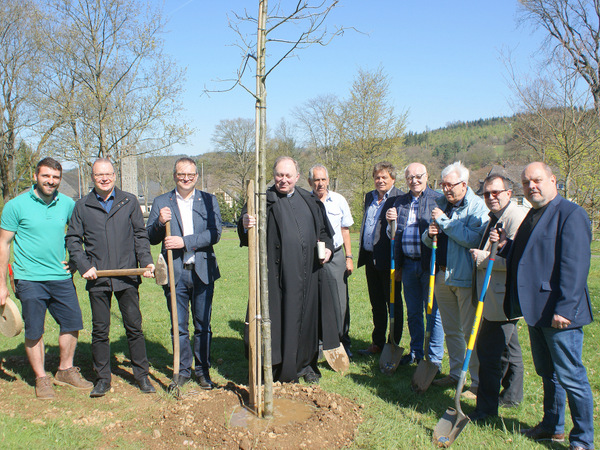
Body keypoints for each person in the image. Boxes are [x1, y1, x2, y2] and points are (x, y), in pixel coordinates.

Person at [491, 162, 594, 450]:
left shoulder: (571, 214)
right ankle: (553, 425)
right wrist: (505, 245)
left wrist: (565, 308)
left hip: (560, 313)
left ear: (553, 180)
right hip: (536, 310)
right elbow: (526, 256)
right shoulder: (534, 215)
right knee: (548, 373)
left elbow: (574, 266)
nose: (531, 186)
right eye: (526, 183)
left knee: (571, 377)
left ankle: (583, 439)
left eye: (537, 180)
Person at [0, 157, 93, 399]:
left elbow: (77, 236)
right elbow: (3, 244)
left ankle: (65, 370)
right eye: (46, 176)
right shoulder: (15, 206)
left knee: (73, 323)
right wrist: (1, 284)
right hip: (28, 278)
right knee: (34, 330)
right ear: (35, 176)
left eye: (55, 177)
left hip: (60, 277)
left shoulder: (67, 204)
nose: (51, 181)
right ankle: (41, 378)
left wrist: (74, 263)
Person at [66, 158, 156, 398]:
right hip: (99, 278)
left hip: (126, 276)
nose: (104, 179)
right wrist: (84, 265)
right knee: (100, 330)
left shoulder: (129, 201)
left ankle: (142, 376)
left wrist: (146, 261)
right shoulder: (82, 206)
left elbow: (140, 235)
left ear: (115, 175)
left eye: (108, 174)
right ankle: (103, 378)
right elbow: (73, 240)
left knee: (134, 328)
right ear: (93, 177)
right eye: (98, 175)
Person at [239, 156, 333, 383]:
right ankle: (273, 366)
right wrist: (245, 223)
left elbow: (324, 233)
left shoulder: (309, 201)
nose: (283, 180)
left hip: (307, 275)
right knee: (276, 320)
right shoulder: (262, 200)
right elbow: (245, 228)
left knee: (306, 320)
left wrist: (327, 249)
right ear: (274, 175)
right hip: (275, 276)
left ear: (297, 177)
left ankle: (305, 365)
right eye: (279, 175)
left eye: (288, 176)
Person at [147, 157, 222, 390]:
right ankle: (182, 370)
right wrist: (160, 222)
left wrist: (184, 242)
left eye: (190, 174)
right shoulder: (162, 201)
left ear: (196, 176)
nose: (186, 178)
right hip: (175, 273)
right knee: (179, 326)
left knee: (203, 325)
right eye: (181, 174)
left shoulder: (209, 201)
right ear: (174, 176)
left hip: (202, 272)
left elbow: (215, 233)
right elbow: (150, 236)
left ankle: (202, 370)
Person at [422, 161, 488, 396]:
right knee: (451, 330)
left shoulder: (477, 208)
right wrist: (429, 235)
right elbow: (429, 240)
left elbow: (473, 239)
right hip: (441, 273)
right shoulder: (441, 204)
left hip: (464, 277)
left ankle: (478, 383)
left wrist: (443, 222)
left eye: (450, 185)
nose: (446, 189)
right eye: (443, 185)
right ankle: (456, 374)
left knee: (471, 331)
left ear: (464, 184)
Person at [467, 174, 527, 422]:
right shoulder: (495, 217)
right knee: (510, 349)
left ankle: (485, 408)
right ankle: (512, 395)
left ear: (509, 193)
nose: (491, 197)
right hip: (496, 296)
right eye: (487, 193)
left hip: (501, 299)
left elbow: (519, 261)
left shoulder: (516, 218)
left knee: (489, 353)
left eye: (496, 192)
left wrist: (482, 258)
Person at [384, 163, 444, 367]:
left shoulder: (438, 200)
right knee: (414, 312)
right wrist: (389, 223)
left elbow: (445, 231)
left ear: (427, 176)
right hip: (408, 265)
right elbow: (393, 235)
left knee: (433, 312)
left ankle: (433, 359)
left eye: (418, 176)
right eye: (410, 177)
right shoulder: (399, 202)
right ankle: (417, 352)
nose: (414, 180)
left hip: (430, 265)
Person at [357, 162, 404, 356]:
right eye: (377, 177)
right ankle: (377, 343)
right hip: (370, 258)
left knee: (392, 303)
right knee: (376, 303)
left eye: (384, 177)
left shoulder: (400, 198)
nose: (380, 180)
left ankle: (392, 344)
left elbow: (402, 232)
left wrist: (400, 263)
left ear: (393, 178)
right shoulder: (370, 196)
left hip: (389, 259)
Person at [308, 164, 354, 357]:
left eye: (323, 179)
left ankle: (343, 341)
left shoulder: (339, 200)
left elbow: (345, 230)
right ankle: (318, 344)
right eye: (316, 180)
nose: (320, 183)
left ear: (328, 180)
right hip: (312, 258)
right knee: (315, 300)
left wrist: (349, 257)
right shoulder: (306, 200)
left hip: (335, 255)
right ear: (310, 182)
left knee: (340, 301)